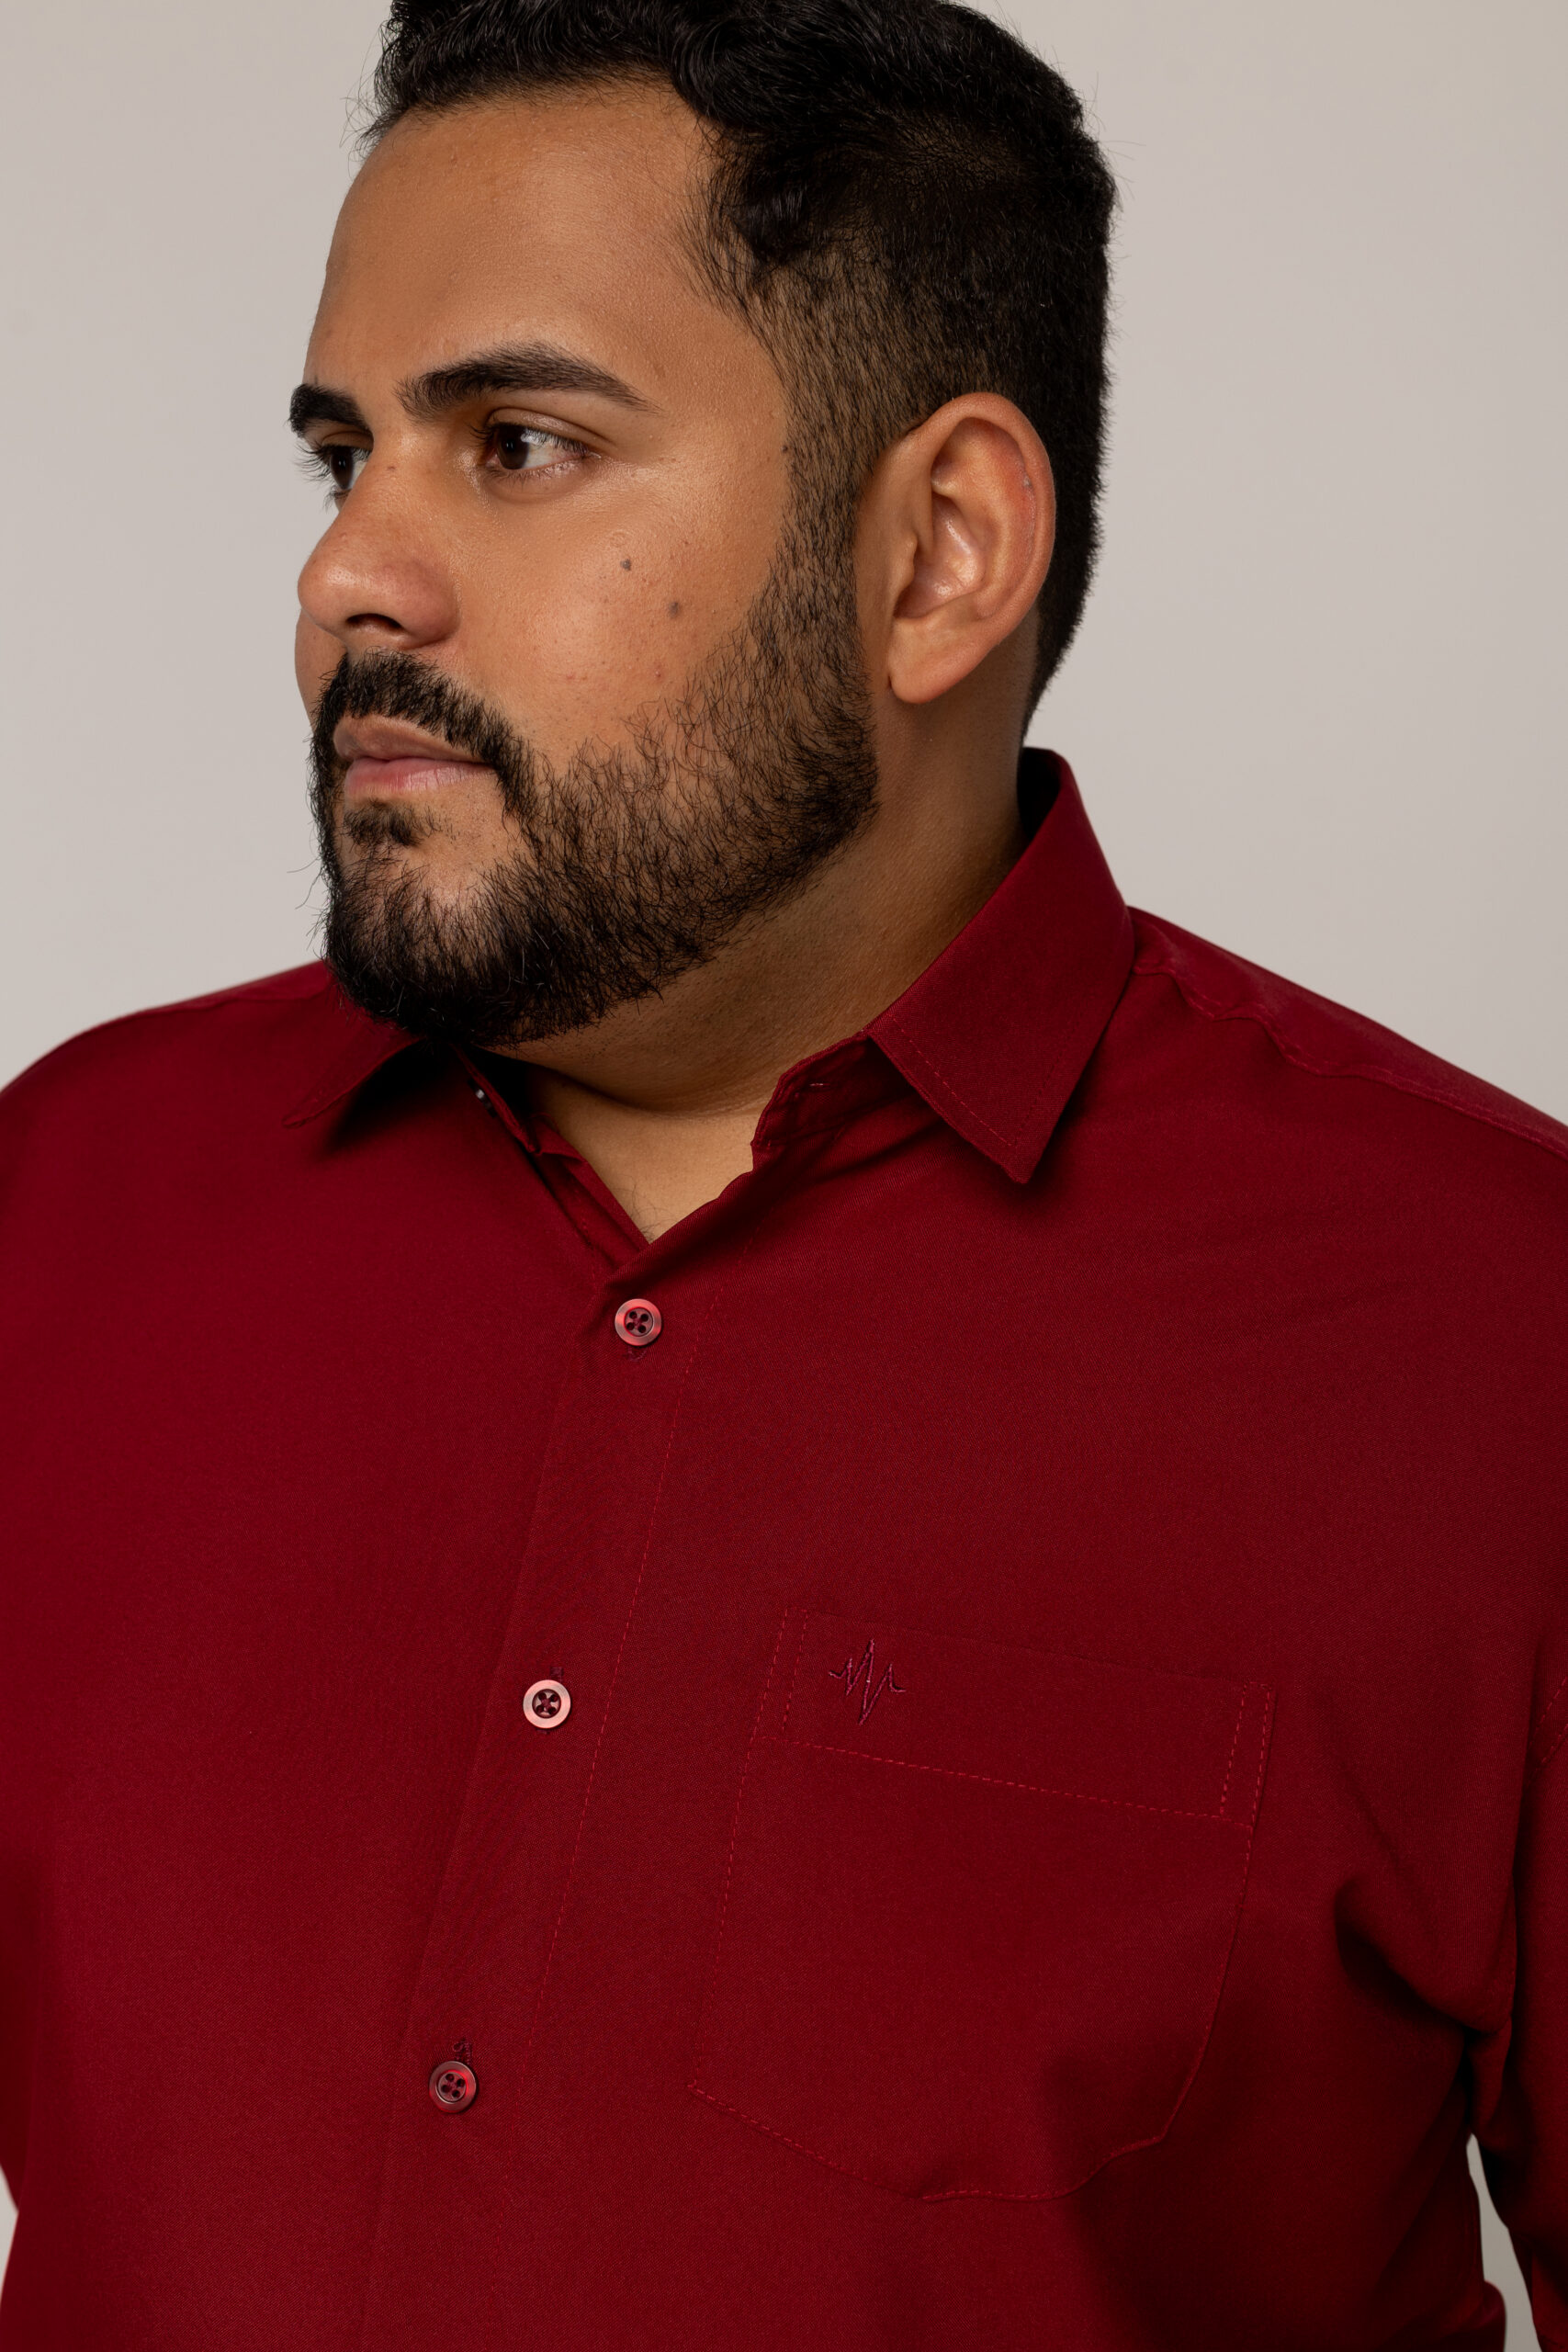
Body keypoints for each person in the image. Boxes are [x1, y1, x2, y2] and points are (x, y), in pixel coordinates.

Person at [1, 0, 1564, 2342]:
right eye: (341, 454)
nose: (348, 573)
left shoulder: (1499, 1350)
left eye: (516, 444)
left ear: (936, 552)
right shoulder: (65, 1209)